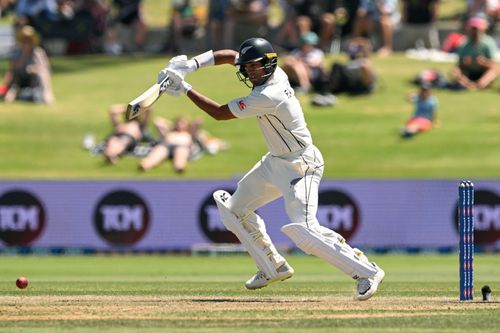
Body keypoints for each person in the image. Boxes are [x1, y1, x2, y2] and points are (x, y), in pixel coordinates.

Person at [158, 37, 385, 300]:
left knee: (306, 231)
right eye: (247, 68)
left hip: (301, 165)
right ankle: (272, 266)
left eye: (255, 67)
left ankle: (367, 272)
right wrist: (191, 65)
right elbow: (230, 54)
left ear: (270, 63)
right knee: (234, 211)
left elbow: (219, 113)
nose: (250, 72)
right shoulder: (266, 72)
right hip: (274, 162)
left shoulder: (269, 94)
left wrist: (184, 88)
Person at [3, 25, 55, 104]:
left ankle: (47, 93)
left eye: (28, 40)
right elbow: (11, 70)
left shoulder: (38, 52)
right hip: (19, 80)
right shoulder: (17, 52)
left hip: (34, 79)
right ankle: (13, 91)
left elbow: (45, 69)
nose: (26, 43)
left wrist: (34, 69)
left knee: (42, 74)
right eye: (24, 40)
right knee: (15, 73)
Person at [450, 14, 498, 90]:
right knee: (455, 71)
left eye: (477, 29)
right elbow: (459, 65)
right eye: (473, 29)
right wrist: (464, 63)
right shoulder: (464, 43)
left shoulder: (488, 43)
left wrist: (484, 63)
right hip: (469, 73)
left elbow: (494, 66)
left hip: (483, 72)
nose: (475, 31)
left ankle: (480, 84)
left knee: (493, 72)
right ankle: (468, 84)